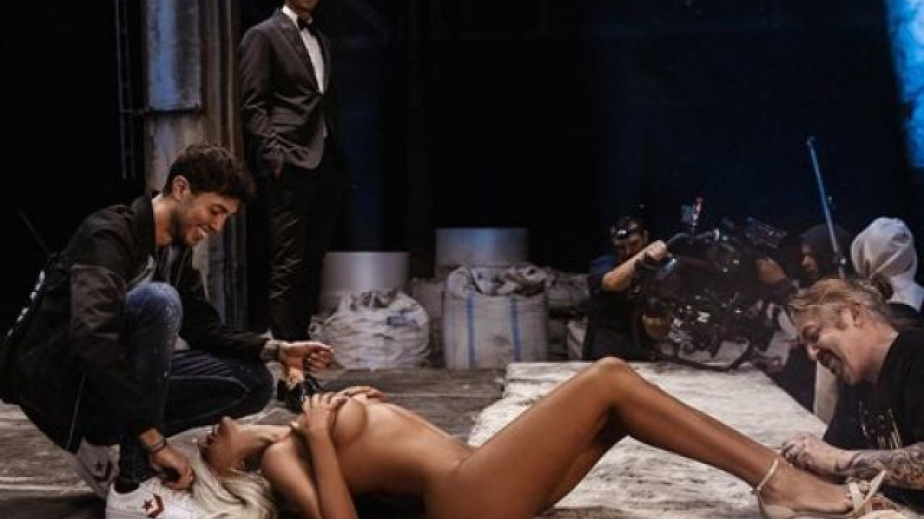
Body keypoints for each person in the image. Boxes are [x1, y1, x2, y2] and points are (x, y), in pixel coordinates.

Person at [0, 143, 334, 518]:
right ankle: (133, 485)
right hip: (61, 390)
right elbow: (92, 338)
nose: (217, 226)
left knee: (252, 382)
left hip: (101, 388)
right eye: (215, 211)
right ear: (180, 189)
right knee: (159, 300)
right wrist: (155, 443)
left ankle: (101, 440)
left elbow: (204, 327)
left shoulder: (173, 252)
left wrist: (276, 350)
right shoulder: (110, 233)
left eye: (226, 217)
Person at [182, 360, 906, 519]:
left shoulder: (303, 418)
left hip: (482, 478)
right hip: (467, 498)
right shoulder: (284, 456)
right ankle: (780, 483)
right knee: (608, 379)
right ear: (227, 475)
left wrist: (364, 412)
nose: (202, 436)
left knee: (618, 410)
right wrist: (323, 439)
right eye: (200, 454)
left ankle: (779, 484)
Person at [780, 277, 924, 511]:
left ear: (854, 314)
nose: (812, 355)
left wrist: (840, 460)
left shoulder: (916, 354)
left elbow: (836, 458)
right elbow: (829, 461)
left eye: (814, 336)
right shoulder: (856, 382)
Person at [755, 222, 854, 414]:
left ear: (828, 255)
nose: (804, 262)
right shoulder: (818, 291)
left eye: (811, 255)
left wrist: (782, 285)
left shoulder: (845, 296)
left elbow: (815, 326)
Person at [582, 215, 670, 361]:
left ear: (645, 237)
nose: (628, 251)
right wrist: (645, 255)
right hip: (606, 357)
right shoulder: (604, 264)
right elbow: (612, 282)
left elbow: (660, 332)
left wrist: (655, 322)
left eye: (634, 244)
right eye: (621, 247)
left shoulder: (660, 273)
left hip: (644, 356)